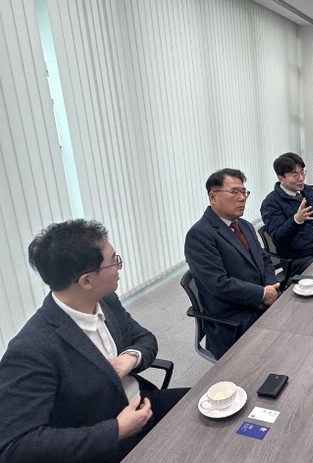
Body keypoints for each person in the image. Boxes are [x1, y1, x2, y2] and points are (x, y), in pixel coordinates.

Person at [0, 220, 189, 462]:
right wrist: (117, 430)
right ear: (87, 281)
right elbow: (16, 447)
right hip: (104, 444)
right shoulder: (31, 349)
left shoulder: (106, 301)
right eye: (114, 260)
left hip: (143, 404)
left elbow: (145, 339)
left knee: (211, 403)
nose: (119, 267)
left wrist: (130, 358)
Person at [185, 168, 279, 359]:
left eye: (244, 192)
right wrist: (261, 295)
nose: (242, 198)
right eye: (234, 192)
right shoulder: (200, 235)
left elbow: (264, 258)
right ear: (213, 196)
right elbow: (219, 284)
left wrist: (270, 287)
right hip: (233, 320)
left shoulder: (244, 225)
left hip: (261, 303)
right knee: (282, 351)